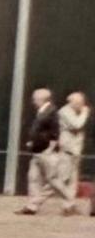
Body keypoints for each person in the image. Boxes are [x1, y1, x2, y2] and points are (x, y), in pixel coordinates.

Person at [19, 87, 73, 216]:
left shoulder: (52, 112)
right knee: (33, 178)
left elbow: (55, 133)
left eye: (35, 98)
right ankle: (32, 207)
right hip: (37, 151)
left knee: (52, 179)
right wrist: (32, 142)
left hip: (46, 152)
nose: (33, 101)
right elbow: (40, 131)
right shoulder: (42, 111)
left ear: (41, 99)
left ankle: (70, 200)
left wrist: (50, 149)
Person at [60, 91, 88, 212]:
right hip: (67, 149)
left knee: (73, 180)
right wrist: (85, 112)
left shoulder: (76, 112)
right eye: (78, 103)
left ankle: (69, 205)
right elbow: (77, 124)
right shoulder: (64, 111)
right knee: (62, 178)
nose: (81, 105)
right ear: (71, 102)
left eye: (81, 103)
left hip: (75, 150)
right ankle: (36, 201)